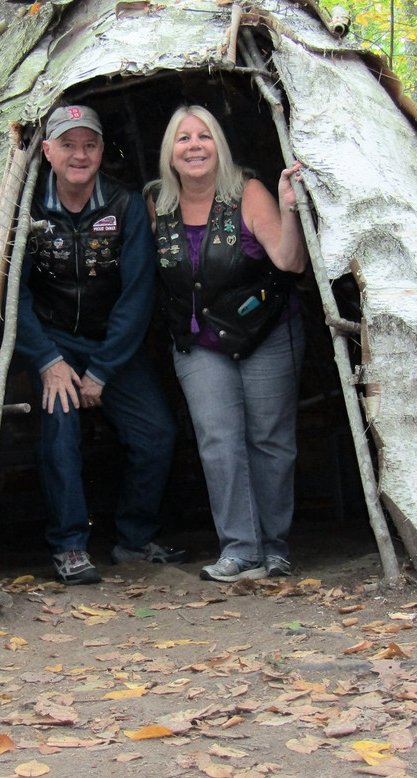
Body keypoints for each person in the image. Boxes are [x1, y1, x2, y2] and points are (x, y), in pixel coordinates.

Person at [16, 104, 184, 585]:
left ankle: (134, 538)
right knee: (60, 431)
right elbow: (12, 295)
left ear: (102, 151)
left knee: (156, 433)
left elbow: (138, 295)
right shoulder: (27, 208)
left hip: (112, 345)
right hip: (53, 344)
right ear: (47, 151)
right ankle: (69, 545)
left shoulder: (125, 205)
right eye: (67, 144)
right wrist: (47, 359)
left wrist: (103, 370)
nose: (79, 154)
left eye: (89, 145)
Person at [148, 105, 308, 583]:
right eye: (183, 139)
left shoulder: (248, 193)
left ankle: (275, 548)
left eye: (204, 136)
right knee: (219, 440)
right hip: (198, 341)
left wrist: (288, 209)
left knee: (269, 439)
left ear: (219, 146)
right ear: (170, 154)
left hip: (265, 332)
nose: (194, 146)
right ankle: (240, 550)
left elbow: (290, 260)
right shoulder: (157, 205)